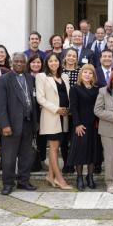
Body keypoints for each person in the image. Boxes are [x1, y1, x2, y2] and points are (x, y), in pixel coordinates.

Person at [0, 52, 38, 195]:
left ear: (25, 64)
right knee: (9, 157)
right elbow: (0, 105)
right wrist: (4, 125)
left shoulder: (30, 78)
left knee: (26, 156)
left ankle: (23, 181)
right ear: (12, 62)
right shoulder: (3, 80)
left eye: (22, 62)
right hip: (11, 125)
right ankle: (8, 184)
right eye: (16, 61)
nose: (19, 64)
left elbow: (32, 100)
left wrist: (35, 123)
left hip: (28, 123)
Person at [35, 54, 72, 190]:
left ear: (59, 62)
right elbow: (40, 98)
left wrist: (68, 109)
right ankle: (60, 179)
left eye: (55, 60)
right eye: (50, 61)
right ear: (47, 63)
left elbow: (67, 95)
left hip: (64, 117)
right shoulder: (41, 77)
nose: (53, 63)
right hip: (51, 116)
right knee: (54, 148)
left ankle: (50, 176)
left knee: (57, 147)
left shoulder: (65, 77)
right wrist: (56, 109)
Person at [68, 64, 99, 191]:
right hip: (81, 125)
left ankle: (90, 177)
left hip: (94, 125)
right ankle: (79, 177)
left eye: (90, 73)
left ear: (93, 76)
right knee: (80, 152)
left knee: (92, 152)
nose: (87, 75)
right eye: (85, 72)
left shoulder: (97, 89)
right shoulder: (75, 88)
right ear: (81, 74)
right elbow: (73, 107)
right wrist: (77, 124)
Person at [27, 54, 45, 173]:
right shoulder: (26, 77)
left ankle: (42, 161)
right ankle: (30, 163)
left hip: (43, 111)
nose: (36, 64)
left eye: (38, 62)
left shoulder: (45, 76)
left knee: (42, 138)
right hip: (30, 112)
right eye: (33, 62)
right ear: (29, 64)